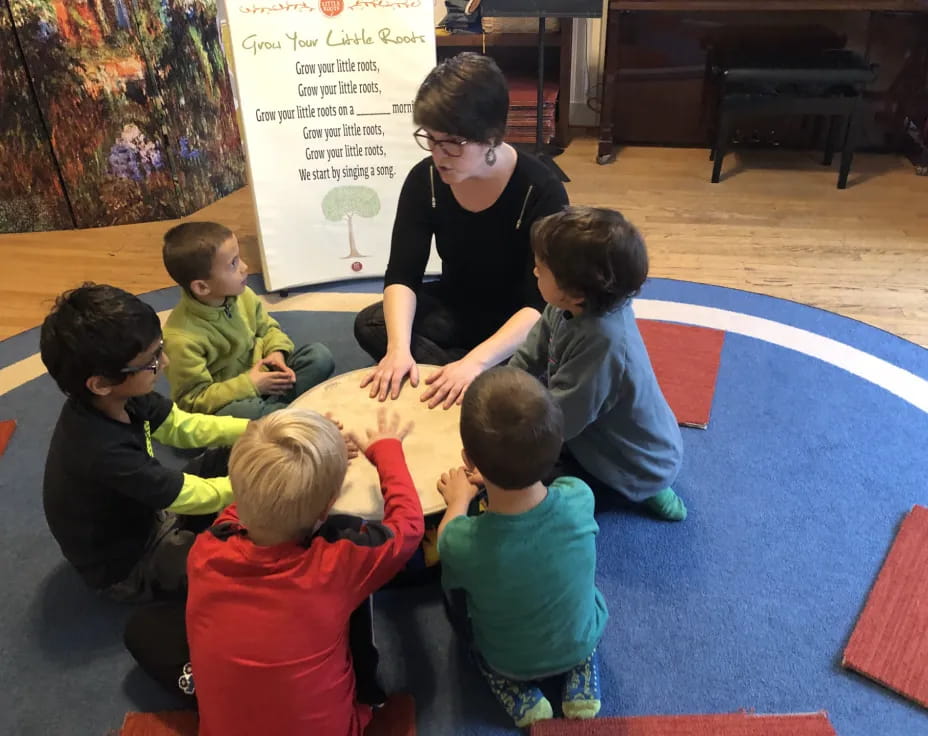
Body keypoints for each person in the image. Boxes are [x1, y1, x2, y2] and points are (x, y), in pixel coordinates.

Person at [180, 408, 425, 735]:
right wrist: (386, 449)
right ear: (327, 506)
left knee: (145, 631)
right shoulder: (336, 566)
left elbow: (245, 504)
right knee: (347, 536)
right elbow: (409, 528)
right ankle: (370, 694)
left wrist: (303, 464)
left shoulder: (204, 551)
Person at [355, 52, 568, 410]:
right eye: (431, 139)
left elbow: (541, 303)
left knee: (543, 360)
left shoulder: (541, 190)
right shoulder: (425, 179)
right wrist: (397, 351)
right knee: (373, 324)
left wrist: (476, 362)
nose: (439, 154)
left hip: (519, 321)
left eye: (452, 142)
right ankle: (465, 377)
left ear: (491, 137)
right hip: (457, 306)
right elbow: (403, 274)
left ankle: (463, 371)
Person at [40, 284, 248, 602]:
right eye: (151, 360)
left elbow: (186, 428)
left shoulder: (126, 396)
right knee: (242, 564)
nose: (164, 363)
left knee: (239, 453)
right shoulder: (100, 450)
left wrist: (258, 429)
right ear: (101, 384)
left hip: (151, 510)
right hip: (130, 561)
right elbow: (182, 495)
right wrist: (263, 486)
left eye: (160, 348)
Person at [436, 366, 608, 728]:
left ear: (469, 460)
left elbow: (446, 539)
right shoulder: (579, 496)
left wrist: (458, 501)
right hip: (580, 636)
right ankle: (581, 667)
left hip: (506, 658)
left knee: (453, 596)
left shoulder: (461, 541)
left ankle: (510, 684)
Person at [509, 206, 687, 520]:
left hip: (632, 463)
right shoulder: (565, 304)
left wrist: (503, 449)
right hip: (593, 430)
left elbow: (560, 423)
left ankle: (646, 489)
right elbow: (531, 353)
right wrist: (501, 391)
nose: (534, 271)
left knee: (525, 491)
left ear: (574, 292)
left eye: (540, 268)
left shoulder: (604, 344)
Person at [161, 221, 334, 419]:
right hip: (233, 401)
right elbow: (191, 401)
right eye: (233, 264)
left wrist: (276, 352)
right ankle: (284, 419)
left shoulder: (242, 294)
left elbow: (268, 329)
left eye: (239, 258)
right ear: (202, 287)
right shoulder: (181, 339)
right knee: (242, 412)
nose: (245, 267)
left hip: (264, 380)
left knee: (319, 356)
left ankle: (277, 417)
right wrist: (250, 385)